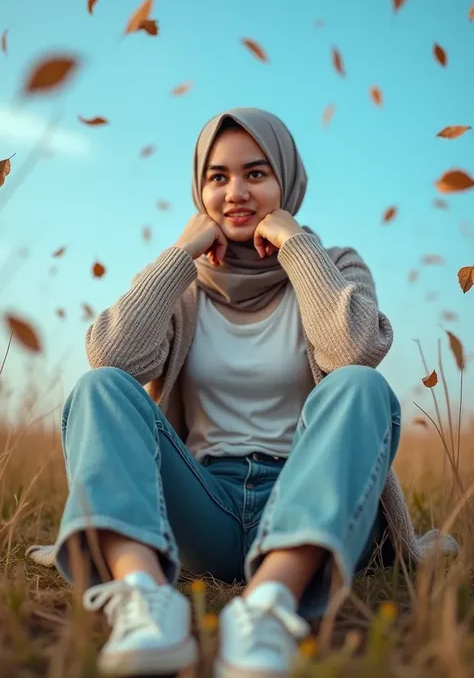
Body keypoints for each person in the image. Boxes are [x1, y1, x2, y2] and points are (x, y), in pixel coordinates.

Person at [42, 108, 457, 678]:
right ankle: (145, 601)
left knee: (362, 386)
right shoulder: (182, 288)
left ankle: (267, 607)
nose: (236, 192)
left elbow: (353, 351)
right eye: (217, 177)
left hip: (310, 505)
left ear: (286, 181)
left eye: (256, 174)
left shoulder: (335, 267)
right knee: (100, 389)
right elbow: (111, 356)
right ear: (200, 189)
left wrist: (295, 244)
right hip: (205, 507)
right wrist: (179, 256)